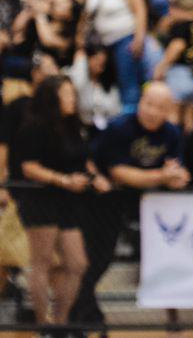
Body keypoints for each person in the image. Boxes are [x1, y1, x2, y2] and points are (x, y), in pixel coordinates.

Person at [78, 82, 189, 327]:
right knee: (98, 259)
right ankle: (83, 311)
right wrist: (161, 176)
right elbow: (119, 173)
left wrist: (176, 177)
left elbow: (177, 172)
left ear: (168, 110)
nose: (151, 111)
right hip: (105, 202)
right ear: (140, 102)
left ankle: (87, 312)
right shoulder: (120, 127)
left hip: (148, 205)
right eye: (148, 104)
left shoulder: (172, 133)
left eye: (159, 107)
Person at [10, 76, 108, 325]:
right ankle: (44, 321)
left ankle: (61, 320)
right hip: (42, 199)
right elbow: (29, 167)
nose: (71, 99)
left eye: (72, 94)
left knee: (77, 263)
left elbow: (83, 157)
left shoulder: (73, 126)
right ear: (52, 98)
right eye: (66, 94)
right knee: (40, 262)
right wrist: (63, 180)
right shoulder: (34, 127)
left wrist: (95, 177)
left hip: (69, 202)